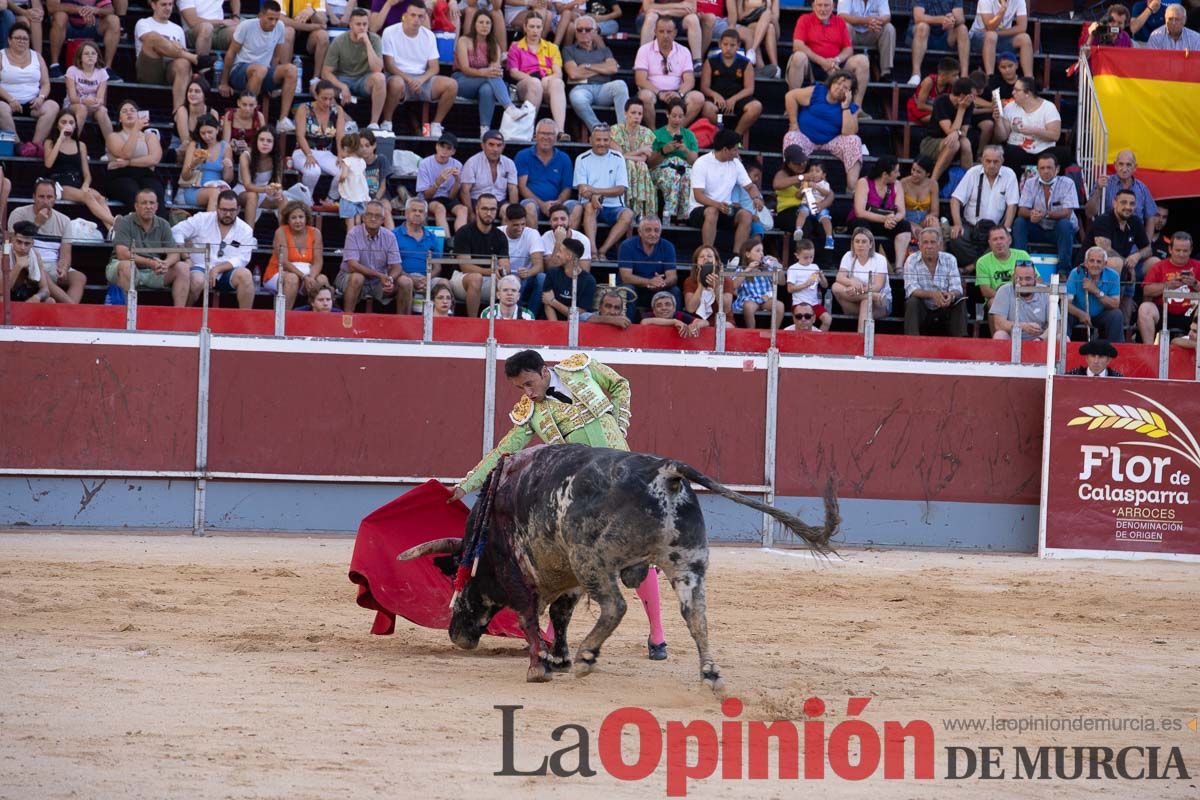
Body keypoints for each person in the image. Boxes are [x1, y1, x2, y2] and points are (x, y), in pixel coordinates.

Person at [450, 348, 670, 661]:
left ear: (543, 371)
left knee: (639, 555)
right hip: (584, 492)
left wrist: (619, 425)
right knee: (570, 558)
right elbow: (504, 451)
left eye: (529, 383)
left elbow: (621, 384)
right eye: (520, 388)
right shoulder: (530, 412)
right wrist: (466, 484)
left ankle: (657, 635)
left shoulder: (580, 369)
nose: (527, 392)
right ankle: (554, 635)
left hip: (624, 474)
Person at [220, 1, 298, 135]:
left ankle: (283, 120)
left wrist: (272, 83)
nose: (274, 23)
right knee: (260, 70)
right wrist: (224, 82)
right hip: (240, 70)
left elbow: (276, 57)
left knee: (292, 69)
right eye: (270, 19)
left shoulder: (280, 27)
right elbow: (231, 53)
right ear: (260, 15)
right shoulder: (246, 26)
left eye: (276, 19)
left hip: (263, 71)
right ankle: (250, 116)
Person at [382, 4, 457, 139]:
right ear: (405, 16)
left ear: (424, 18)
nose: (416, 19)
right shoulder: (390, 32)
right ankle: (387, 122)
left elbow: (434, 67)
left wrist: (421, 79)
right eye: (413, 15)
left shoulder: (429, 35)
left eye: (420, 16)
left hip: (422, 79)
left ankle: (436, 124)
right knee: (396, 83)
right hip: (398, 76)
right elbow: (388, 65)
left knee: (452, 85)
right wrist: (409, 80)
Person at [171, 190, 257, 308]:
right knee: (197, 281)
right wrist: (185, 254)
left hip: (227, 272)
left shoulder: (246, 229)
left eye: (232, 210)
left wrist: (218, 269)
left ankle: (245, 319)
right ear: (217, 208)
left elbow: (243, 258)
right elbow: (176, 231)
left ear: (238, 209)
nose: (227, 214)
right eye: (224, 210)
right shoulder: (202, 219)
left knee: (246, 275)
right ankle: (184, 315)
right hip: (200, 267)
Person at [106, 189, 190, 306]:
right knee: (127, 266)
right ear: (136, 206)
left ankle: (179, 316)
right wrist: (150, 263)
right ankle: (126, 317)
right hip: (124, 267)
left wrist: (166, 263)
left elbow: (174, 253)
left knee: (183, 268)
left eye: (151, 203)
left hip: (153, 271)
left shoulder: (163, 224)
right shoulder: (125, 222)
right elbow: (122, 254)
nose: (148, 206)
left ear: (157, 206)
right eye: (144, 203)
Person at [687, 128, 763, 255]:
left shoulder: (736, 163)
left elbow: (750, 186)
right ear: (725, 150)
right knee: (712, 211)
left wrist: (756, 198)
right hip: (700, 209)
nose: (737, 153)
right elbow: (698, 196)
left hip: (725, 208)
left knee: (746, 215)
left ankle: (736, 257)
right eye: (735, 149)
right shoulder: (702, 163)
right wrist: (717, 205)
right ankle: (708, 254)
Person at [783, 69, 863, 189]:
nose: (840, 88)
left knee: (854, 140)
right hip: (805, 137)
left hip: (831, 141)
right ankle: (793, 184)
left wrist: (845, 107)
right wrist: (793, 124)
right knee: (791, 137)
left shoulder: (851, 107)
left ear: (850, 92)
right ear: (831, 83)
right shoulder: (818, 91)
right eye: (838, 83)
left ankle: (852, 187)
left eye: (845, 87)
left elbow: (848, 132)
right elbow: (790, 96)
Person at [8, 179, 83, 303]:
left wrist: (63, 267)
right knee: (43, 272)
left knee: (79, 277)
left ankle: (65, 310)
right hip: (28, 261)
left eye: (49, 197)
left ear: (55, 199)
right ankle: (71, 309)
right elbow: (14, 245)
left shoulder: (64, 220)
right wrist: (37, 223)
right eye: (41, 197)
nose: (45, 201)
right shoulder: (19, 213)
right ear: (34, 197)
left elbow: (66, 253)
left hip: (53, 264)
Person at [786, 0, 870, 112]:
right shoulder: (804, 19)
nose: (823, 9)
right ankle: (792, 106)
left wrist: (836, 60)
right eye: (819, 5)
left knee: (863, 60)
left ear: (833, 6)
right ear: (813, 6)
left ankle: (857, 108)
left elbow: (848, 49)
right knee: (798, 57)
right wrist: (822, 61)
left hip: (835, 67)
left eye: (826, 5)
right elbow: (797, 45)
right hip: (812, 65)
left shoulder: (840, 22)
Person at [948, 145, 1019, 274]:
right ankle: (982, 263)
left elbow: (1012, 205)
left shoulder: (1009, 175)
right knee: (955, 238)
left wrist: (1006, 229)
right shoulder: (973, 173)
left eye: (996, 161)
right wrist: (957, 224)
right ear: (982, 160)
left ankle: (971, 267)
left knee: (1003, 242)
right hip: (971, 226)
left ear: (1002, 161)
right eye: (988, 161)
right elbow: (955, 200)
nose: (991, 165)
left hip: (995, 227)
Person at [323, 8, 395, 132]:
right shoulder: (339, 41)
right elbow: (325, 73)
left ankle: (374, 123)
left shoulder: (374, 39)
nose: (362, 28)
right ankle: (346, 119)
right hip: (343, 78)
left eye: (365, 24)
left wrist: (367, 43)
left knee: (380, 78)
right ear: (350, 25)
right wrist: (343, 86)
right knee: (318, 88)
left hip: (364, 80)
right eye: (358, 24)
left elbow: (377, 68)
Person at [571, 124, 635, 261]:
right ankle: (593, 251)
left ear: (610, 140)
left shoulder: (618, 158)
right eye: (598, 140)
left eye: (605, 140)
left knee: (628, 214)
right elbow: (582, 189)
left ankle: (603, 250)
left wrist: (595, 192)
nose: (602, 143)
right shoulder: (582, 159)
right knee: (589, 207)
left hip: (614, 207)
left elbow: (621, 189)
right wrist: (593, 197)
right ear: (590, 140)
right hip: (589, 205)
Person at [135, 0, 213, 111]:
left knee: (184, 63)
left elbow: (181, 54)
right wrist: (172, 43)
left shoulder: (178, 29)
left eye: (170, 4)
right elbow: (149, 40)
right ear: (153, 5)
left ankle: (179, 112)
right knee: (152, 37)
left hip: (171, 70)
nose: (167, 8)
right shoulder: (143, 23)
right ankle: (195, 58)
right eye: (163, 4)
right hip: (149, 68)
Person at [44, 108, 115, 231]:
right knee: (87, 197)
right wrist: (60, 139)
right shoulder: (50, 142)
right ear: (57, 124)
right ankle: (116, 223)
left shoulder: (81, 145)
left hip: (76, 182)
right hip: (59, 184)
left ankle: (112, 231)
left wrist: (85, 185)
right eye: (64, 122)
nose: (67, 125)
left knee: (99, 197)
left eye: (71, 122)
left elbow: (87, 174)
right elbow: (48, 164)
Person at [1012, 152, 1078, 273]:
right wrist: (1031, 214)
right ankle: (1021, 266)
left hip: (1059, 230)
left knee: (1065, 224)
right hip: (1038, 227)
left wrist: (1045, 214)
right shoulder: (1030, 183)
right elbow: (1021, 210)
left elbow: (1067, 213)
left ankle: (1063, 271)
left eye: (1049, 168)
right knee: (1019, 222)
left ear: (1057, 169)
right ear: (1038, 170)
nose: (1046, 171)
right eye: (1042, 168)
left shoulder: (1068, 183)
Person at [634, 17, 706, 126]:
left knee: (698, 98)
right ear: (655, 32)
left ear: (675, 33)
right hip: (653, 92)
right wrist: (659, 93)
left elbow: (690, 81)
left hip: (677, 94)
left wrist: (679, 93)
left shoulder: (684, 51)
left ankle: (676, 131)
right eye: (661, 31)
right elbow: (640, 80)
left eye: (669, 32)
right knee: (644, 96)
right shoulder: (644, 50)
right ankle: (654, 134)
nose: (665, 35)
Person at [0, 22, 59, 154]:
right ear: (9, 40)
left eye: (25, 38)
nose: (22, 41)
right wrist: (10, 99)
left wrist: (41, 98)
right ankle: (18, 145)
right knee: (0, 108)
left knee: (52, 106)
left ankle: (35, 145)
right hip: (7, 102)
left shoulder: (37, 56)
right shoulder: (1, 55)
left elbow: (45, 83)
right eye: (18, 38)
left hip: (32, 103)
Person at [563, 15, 628, 134]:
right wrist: (602, 68)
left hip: (603, 88)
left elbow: (613, 68)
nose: (583, 32)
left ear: (594, 32)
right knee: (576, 97)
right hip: (581, 89)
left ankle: (623, 131)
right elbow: (573, 73)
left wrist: (587, 66)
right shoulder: (569, 50)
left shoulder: (604, 50)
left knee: (620, 84)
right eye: (579, 30)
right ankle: (597, 128)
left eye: (587, 29)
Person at [847, 156, 912, 275]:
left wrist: (892, 220)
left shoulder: (897, 185)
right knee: (861, 225)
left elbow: (901, 212)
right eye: (896, 171)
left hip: (887, 222)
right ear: (885, 174)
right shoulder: (864, 182)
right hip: (866, 219)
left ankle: (898, 267)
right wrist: (884, 219)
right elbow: (860, 212)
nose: (899, 174)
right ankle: (868, 263)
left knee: (904, 226)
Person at [507, 15, 568, 139]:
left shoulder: (552, 47)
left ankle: (560, 131)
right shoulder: (516, 47)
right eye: (532, 27)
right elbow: (513, 72)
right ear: (525, 28)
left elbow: (558, 73)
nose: (535, 30)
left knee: (557, 83)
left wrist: (547, 79)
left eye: (538, 27)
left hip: (546, 82)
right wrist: (533, 79)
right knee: (534, 83)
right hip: (526, 83)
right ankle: (528, 129)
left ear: (542, 29)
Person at [337, 200, 404, 314]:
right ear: (363, 217)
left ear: (383, 220)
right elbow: (352, 266)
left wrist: (390, 279)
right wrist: (380, 275)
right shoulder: (353, 234)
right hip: (350, 277)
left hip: (378, 282)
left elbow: (397, 266)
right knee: (358, 277)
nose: (373, 218)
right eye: (369, 215)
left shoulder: (390, 236)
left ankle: (404, 324)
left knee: (406, 282)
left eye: (377, 216)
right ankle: (347, 319)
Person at [453, 10, 513, 135]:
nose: (484, 26)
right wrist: (484, 72)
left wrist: (491, 72)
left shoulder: (494, 45)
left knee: (487, 89)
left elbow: (494, 70)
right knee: (490, 77)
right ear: (474, 24)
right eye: (481, 22)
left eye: (488, 23)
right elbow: (465, 69)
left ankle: (484, 129)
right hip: (462, 81)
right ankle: (509, 107)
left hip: (484, 83)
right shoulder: (464, 41)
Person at [452, 194, 510, 317]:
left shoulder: (500, 236)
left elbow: (505, 266)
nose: (489, 213)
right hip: (462, 279)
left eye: (493, 209)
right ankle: (473, 323)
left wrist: (503, 271)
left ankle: (506, 323)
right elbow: (465, 267)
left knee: (512, 283)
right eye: (484, 209)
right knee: (476, 278)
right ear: (476, 209)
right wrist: (492, 271)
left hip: (490, 279)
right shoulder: (464, 232)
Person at [264, 199, 328, 310]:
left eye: (301, 217)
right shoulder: (281, 232)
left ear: (306, 218)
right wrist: (304, 277)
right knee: (292, 279)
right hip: (279, 272)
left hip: (307, 275)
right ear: (288, 220)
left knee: (322, 279)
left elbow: (318, 261)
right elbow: (283, 261)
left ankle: (322, 320)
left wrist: (311, 278)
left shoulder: (315, 233)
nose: (298, 221)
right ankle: (283, 320)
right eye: (293, 218)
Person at [903, 226, 966, 336]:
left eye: (933, 242)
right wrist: (933, 295)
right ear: (919, 245)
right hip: (923, 309)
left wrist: (950, 296)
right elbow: (911, 289)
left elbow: (957, 288)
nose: (929, 246)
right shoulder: (911, 260)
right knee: (912, 301)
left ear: (939, 245)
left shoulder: (950, 259)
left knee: (960, 300)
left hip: (945, 308)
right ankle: (911, 341)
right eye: (925, 242)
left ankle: (961, 342)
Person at [1136, 232, 1199, 343]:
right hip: (1164, 311)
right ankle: (1149, 351)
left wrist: (1195, 284)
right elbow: (1146, 290)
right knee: (1145, 308)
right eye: (1178, 250)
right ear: (1170, 249)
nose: (1181, 254)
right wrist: (1167, 285)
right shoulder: (1159, 266)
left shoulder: (1198, 266)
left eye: (1185, 251)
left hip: (1191, 313)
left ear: (1191, 250)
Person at [700, 29, 763, 136]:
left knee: (756, 106)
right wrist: (715, 95)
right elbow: (704, 87)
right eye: (725, 44)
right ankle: (722, 131)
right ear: (720, 44)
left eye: (732, 45)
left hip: (738, 99)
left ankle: (736, 135)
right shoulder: (710, 61)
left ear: (738, 45)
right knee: (706, 108)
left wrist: (734, 99)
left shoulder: (745, 63)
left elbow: (749, 89)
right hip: (717, 99)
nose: (728, 48)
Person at [291, 80, 346, 202]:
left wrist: (341, 154)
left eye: (331, 99)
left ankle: (330, 199)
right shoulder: (304, 108)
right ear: (316, 96)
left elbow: (340, 135)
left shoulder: (337, 110)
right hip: (303, 150)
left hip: (325, 152)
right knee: (313, 171)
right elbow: (300, 136)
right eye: (324, 98)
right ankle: (306, 199)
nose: (327, 102)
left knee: (344, 171)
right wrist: (308, 154)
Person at [1085, 188, 1151, 290]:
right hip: (1092, 267)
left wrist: (1137, 255)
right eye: (1123, 202)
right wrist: (1128, 265)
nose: (1128, 207)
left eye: (1132, 204)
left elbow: (1148, 249)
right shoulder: (1104, 220)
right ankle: (1112, 302)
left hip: (1125, 267)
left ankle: (1140, 301)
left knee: (1154, 262)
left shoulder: (1135, 221)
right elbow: (1105, 251)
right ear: (1114, 203)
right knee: (1117, 263)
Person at [105, 100, 165, 210]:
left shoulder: (149, 136)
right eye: (124, 111)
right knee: (133, 193)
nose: (129, 113)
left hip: (146, 174)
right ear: (119, 119)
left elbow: (154, 159)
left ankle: (159, 226)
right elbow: (125, 153)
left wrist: (129, 163)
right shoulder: (113, 136)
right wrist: (135, 130)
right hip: (121, 175)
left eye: (133, 110)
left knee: (156, 192)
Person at [1085, 149, 1157, 241]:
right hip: (1110, 239)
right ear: (1115, 165)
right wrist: (1098, 189)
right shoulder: (1104, 183)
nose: (1124, 169)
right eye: (1121, 164)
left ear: (1135, 167)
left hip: (1135, 242)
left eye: (1128, 165)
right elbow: (1089, 213)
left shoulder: (1142, 189)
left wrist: (1146, 244)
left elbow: (1150, 217)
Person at [516, 119, 577, 227]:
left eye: (550, 134)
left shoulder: (564, 158)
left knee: (576, 207)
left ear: (556, 137)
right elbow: (522, 187)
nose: (546, 137)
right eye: (543, 133)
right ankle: (533, 243)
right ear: (535, 136)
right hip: (533, 203)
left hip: (558, 204)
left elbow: (567, 188)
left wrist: (559, 202)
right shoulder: (523, 155)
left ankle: (567, 243)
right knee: (529, 206)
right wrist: (542, 205)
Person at [991, 76, 1061, 170]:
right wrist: (998, 120)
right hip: (1016, 148)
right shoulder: (1010, 107)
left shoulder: (1048, 107)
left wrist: (1034, 131)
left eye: (1017, 90)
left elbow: (1055, 136)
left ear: (1027, 93)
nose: (1013, 93)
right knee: (1009, 151)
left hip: (1042, 150)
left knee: (1060, 155)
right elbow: (1002, 137)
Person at [617, 214, 679, 315]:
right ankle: (627, 327)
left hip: (658, 289)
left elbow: (672, 277)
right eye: (648, 230)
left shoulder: (668, 246)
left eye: (656, 230)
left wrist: (662, 283)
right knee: (628, 290)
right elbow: (626, 277)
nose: (653, 234)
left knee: (674, 291)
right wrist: (649, 282)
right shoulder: (627, 246)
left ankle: (675, 326)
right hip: (635, 287)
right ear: (640, 232)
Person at [649, 99, 699, 224]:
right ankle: (668, 215)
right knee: (673, 175)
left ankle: (684, 217)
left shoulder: (689, 135)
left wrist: (685, 150)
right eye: (674, 116)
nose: (677, 120)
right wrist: (664, 151)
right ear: (667, 114)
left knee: (688, 176)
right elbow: (649, 163)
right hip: (661, 170)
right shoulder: (657, 134)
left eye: (680, 116)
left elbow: (695, 162)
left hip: (683, 169)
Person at [833, 226, 892, 332]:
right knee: (835, 286)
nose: (860, 245)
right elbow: (839, 277)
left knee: (866, 301)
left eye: (864, 241)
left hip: (880, 305)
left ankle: (861, 338)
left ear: (870, 244)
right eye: (857, 241)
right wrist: (852, 282)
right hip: (854, 303)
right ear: (853, 243)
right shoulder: (848, 256)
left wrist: (857, 290)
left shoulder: (880, 259)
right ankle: (872, 297)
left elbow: (878, 287)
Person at [920, 76, 975, 183]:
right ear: (963, 96)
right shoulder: (941, 101)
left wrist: (956, 132)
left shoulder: (970, 104)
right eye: (972, 95)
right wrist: (961, 109)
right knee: (954, 143)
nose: (974, 98)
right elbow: (949, 132)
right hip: (931, 142)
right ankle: (933, 181)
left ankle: (969, 184)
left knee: (965, 142)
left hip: (954, 141)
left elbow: (963, 133)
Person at [1065, 246, 1124, 342]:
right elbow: (1066, 303)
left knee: (1117, 315)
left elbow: (1115, 304)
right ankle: (1064, 345)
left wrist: (1095, 290)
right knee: (1064, 313)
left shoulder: (1113, 276)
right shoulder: (1076, 273)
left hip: (1101, 314)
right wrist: (1080, 314)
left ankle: (1115, 350)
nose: (1094, 265)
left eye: (1099, 261)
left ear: (1105, 264)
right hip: (1078, 313)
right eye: (1091, 261)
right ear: (1086, 262)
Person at [47, 0, 120, 77]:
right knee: (60, 16)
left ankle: (107, 69)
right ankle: (54, 66)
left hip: (91, 23)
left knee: (114, 20)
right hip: (67, 24)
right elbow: (52, 7)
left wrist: (95, 10)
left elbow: (110, 9)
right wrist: (80, 9)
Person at [611, 100, 657, 219]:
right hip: (617, 168)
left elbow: (643, 159)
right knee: (629, 164)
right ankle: (627, 206)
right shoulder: (615, 130)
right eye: (633, 113)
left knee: (640, 165)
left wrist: (631, 155)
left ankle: (640, 210)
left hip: (639, 170)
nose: (637, 116)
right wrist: (639, 150)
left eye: (640, 114)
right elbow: (618, 156)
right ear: (626, 113)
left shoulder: (647, 133)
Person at [178, 114, 234, 212]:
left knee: (225, 196)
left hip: (218, 186)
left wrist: (228, 167)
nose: (207, 136)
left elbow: (227, 179)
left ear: (217, 129)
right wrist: (193, 164)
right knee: (215, 194)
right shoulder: (194, 145)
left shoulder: (225, 147)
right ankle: (209, 227)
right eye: (203, 133)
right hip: (195, 189)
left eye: (210, 132)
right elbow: (185, 176)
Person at [500, 202, 547, 316]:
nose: (520, 228)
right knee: (514, 281)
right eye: (516, 225)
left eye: (523, 224)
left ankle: (531, 316)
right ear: (506, 221)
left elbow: (539, 266)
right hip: (503, 277)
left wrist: (528, 272)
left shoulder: (532, 234)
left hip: (526, 277)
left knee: (542, 277)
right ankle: (515, 315)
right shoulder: (498, 233)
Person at [393, 197, 438, 312]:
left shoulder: (432, 237)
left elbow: (438, 267)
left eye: (421, 211)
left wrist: (427, 279)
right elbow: (391, 265)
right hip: (402, 276)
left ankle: (443, 325)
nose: (417, 214)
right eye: (414, 210)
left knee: (445, 283)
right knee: (406, 282)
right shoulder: (393, 235)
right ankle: (404, 323)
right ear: (406, 213)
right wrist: (411, 278)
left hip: (426, 278)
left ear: (425, 215)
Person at [907, 0, 968, 85]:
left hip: (946, 35)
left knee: (962, 29)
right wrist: (941, 19)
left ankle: (964, 76)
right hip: (923, 36)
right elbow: (918, 17)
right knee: (922, 26)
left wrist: (952, 19)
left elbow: (961, 18)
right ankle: (916, 74)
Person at [419, 132, 467, 236]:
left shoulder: (457, 164)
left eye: (448, 148)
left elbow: (451, 196)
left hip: (447, 198)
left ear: (453, 151)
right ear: (436, 146)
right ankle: (447, 241)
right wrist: (438, 181)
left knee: (463, 210)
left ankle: (460, 242)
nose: (444, 151)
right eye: (442, 146)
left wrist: (457, 181)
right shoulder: (425, 163)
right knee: (440, 208)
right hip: (430, 199)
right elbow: (427, 195)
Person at [730, 236, 784, 329]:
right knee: (748, 307)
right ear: (747, 254)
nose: (761, 254)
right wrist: (748, 270)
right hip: (749, 298)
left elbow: (782, 282)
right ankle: (751, 332)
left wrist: (778, 266)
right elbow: (734, 285)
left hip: (766, 298)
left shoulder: (767, 268)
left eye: (762, 251)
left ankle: (773, 333)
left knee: (779, 306)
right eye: (758, 251)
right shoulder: (741, 269)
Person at [970, 0, 1033, 78]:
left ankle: (1029, 79)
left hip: (1001, 37)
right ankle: (990, 77)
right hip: (979, 38)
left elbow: (1022, 27)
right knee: (991, 36)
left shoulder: (1019, 1)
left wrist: (998, 33)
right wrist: (1002, 11)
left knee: (1025, 38)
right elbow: (990, 27)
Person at [234, 127, 284, 226]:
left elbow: (278, 184)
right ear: (256, 141)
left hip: (265, 192)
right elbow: (248, 186)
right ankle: (248, 236)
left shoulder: (277, 158)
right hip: (244, 191)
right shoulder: (246, 156)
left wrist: (277, 191)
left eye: (269, 141)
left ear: (274, 144)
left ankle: (282, 236)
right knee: (253, 196)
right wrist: (266, 189)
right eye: (261, 140)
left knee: (282, 199)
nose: (265, 143)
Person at [279, 0, 331, 95]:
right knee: (288, 32)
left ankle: (315, 80)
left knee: (323, 35)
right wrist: (308, 27)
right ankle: (285, 76)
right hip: (291, 34)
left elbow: (323, 22)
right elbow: (280, 19)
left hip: (309, 39)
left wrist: (313, 13)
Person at [837, 0, 895, 82]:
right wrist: (866, 21)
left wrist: (875, 22)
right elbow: (842, 16)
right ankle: (847, 69)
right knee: (845, 26)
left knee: (889, 28)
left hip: (872, 31)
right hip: (852, 33)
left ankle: (886, 73)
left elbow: (887, 16)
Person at [974, 224, 1030, 308]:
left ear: (1009, 240)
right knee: (993, 302)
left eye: (1002, 238)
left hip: (1021, 297)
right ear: (989, 243)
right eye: (995, 239)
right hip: (997, 299)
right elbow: (985, 291)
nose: (999, 242)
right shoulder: (982, 262)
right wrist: (1008, 299)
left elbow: (1037, 280)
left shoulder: (1022, 255)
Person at [461, 128, 519, 209]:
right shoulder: (472, 162)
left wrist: (514, 212)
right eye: (491, 144)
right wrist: (470, 214)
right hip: (477, 201)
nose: (495, 149)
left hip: (500, 201)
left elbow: (513, 189)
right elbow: (465, 190)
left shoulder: (509, 163)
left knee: (507, 211)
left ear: (503, 146)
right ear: (483, 145)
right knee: (484, 211)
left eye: (499, 145)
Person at [990, 262, 1049, 340]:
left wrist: (1040, 339)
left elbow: (1057, 326)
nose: (1023, 283)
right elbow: (999, 324)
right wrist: (1022, 326)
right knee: (999, 335)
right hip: (1012, 340)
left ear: (1035, 278)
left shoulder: (1045, 292)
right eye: (1019, 279)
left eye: (1028, 278)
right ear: (1013, 277)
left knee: (1063, 338)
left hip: (1041, 341)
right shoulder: (1004, 290)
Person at [63, 41, 111, 137]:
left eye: (93, 53)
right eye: (86, 53)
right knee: (82, 109)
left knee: (102, 111)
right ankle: (72, 142)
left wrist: (98, 102)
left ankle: (111, 146)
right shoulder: (72, 70)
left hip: (92, 106)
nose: (90, 56)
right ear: (80, 57)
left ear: (97, 57)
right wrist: (84, 101)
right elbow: (72, 98)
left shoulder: (102, 72)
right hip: (73, 106)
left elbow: (101, 98)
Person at [541, 238, 596, 319]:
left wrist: (553, 302)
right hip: (552, 322)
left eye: (560, 251)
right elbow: (547, 303)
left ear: (569, 256)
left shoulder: (589, 281)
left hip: (576, 325)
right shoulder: (552, 273)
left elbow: (579, 314)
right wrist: (555, 327)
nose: (557, 254)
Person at [683, 244, 736, 326]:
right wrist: (701, 286)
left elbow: (726, 309)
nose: (705, 258)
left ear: (717, 262)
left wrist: (717, 288)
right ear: (696, 263)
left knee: (724, 326)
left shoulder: (726, 280)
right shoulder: (690, 281)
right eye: (701, 257)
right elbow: (690, 309)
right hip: (699, 321)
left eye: (710, 256)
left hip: (723, 321)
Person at [785, 238, 832, 330]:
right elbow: (790, 289)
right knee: (803, 322)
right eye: (806, 257)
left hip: (814, 304)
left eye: (811, 257)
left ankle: (818, 340)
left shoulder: (815, 267)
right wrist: (805, 284)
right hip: (799, 304)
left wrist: (822, 276)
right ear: (797, 255)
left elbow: (825, 285)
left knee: (827, 319)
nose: (809, 260)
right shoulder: (793, 268)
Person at [638, 0, 703, 64]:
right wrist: (679, 5)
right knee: (651, 17)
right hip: (652, 18)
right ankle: (643, 59)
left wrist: (666, 12)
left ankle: (696, 61)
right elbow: (647, 7)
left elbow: (691, 8)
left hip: (676, 17)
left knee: (693, 19)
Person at [6, 221, 55, 303]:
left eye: (27, 244)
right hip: (8, 296)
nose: (22, 247)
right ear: (13, 239)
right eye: (19, 242)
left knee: (50, 301)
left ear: (32, 243)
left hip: (27, 295)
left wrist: (37, 297)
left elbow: (45, 290)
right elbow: (2, 290)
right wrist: (18, 266)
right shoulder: (3, 254)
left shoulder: (35, 255)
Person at [732, 0, 781, 78]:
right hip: (752, 25)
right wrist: (757, 11)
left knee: (768, 15)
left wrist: (765, 11)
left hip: (773, 26)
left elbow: (775, 18)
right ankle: (776, 68)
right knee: (769, 28)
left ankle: (752, 50)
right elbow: (740, 16)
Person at [907, 57, 959, 126]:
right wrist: (941, 111)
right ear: (943, 75)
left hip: (936, 111)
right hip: (920, 110)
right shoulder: (929, 82)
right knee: (942, 119)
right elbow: (920, 106)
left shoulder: (951, 85)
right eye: (954, 75)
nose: (957, 78)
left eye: (958, 74)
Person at [542, 203, 592, 274]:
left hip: (574, 279)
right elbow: (550, 270)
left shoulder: (582, 239)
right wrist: (559, 241)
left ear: (569, 220)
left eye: (563, 219)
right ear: (550, 222)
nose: (559, 223)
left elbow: (584, 271)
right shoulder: (545, 238)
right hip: (554, 280)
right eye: (555, 219)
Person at [171, 79, 212, 159]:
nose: (192, 94)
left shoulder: (212, 113)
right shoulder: (182, 111)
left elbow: (213, 140)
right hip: (181, 147)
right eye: (190, 91)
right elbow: (185, 141)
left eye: (197, 91)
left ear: (205, 95)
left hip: (203, 147)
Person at [640, 289, 708, 337]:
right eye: (659, 305)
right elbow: (644, 322)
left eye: (668, 304)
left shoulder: (678, 315)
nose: (664, 308)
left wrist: (695, 325)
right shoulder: (649, 315)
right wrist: (674, 322)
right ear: (654, 310)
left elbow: (705, 322)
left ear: (674, 308)